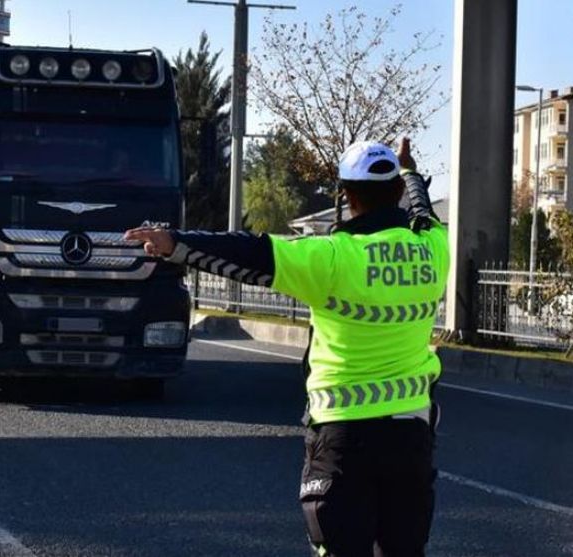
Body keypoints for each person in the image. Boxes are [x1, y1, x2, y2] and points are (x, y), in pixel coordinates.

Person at [125, 138, 448, 557]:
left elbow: (252, 253)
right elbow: (423, 213)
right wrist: (409, 172)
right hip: (411, 438)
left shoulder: (332, 257)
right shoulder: (432, 250)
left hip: (344, 437)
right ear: (397, 192)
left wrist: (176, 243)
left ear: (347, 196)